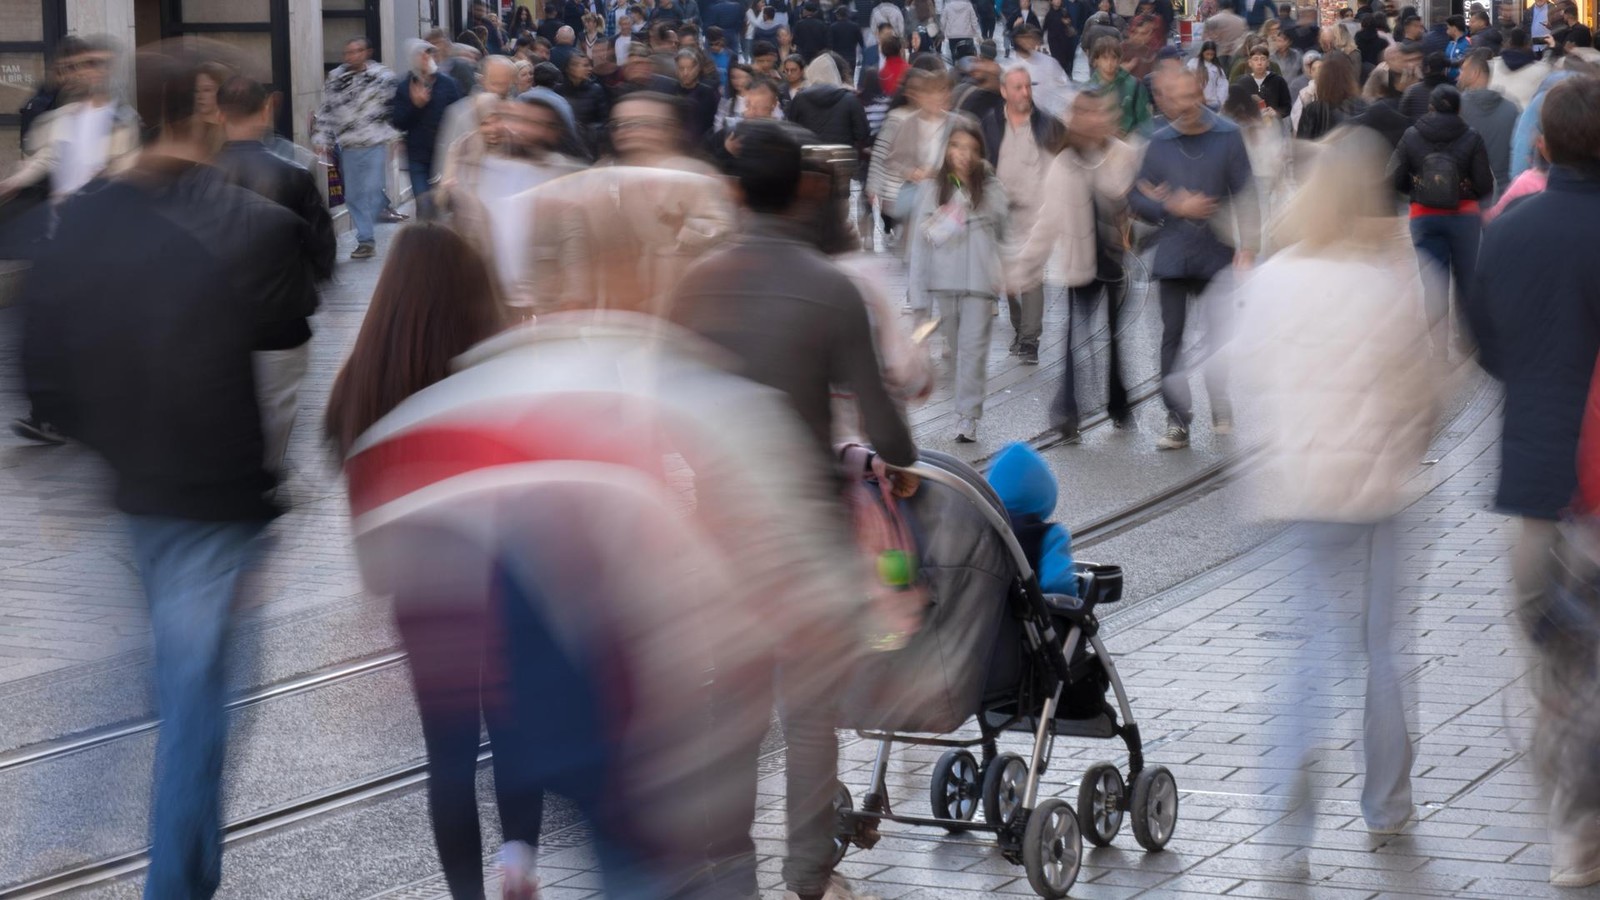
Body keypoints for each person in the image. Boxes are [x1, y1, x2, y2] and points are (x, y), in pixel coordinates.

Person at [20, 46, 314, 900]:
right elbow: (282, 373)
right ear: (209, 105)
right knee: (195, 708)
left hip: (130, 496)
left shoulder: (78, 222)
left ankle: (67, 828)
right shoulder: (258, 227)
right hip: (216, 506)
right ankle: (174, 883)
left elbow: (46, 379)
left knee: (157, 682)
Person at [668, 123, 915, 898]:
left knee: (730, 707)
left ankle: (727, 866)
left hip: (719, 534)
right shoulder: (830, 287)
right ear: (804, 188)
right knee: (809, 715)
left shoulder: (695, 284)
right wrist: (897, 460)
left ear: (735, 193)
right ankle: (808, 876)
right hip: (807, 532)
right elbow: (886, 427)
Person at [322, 222, 554, 899]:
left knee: (446, 757)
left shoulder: (364, 376)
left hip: (422, 593)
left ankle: (466, 895)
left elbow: (347, 468)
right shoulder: (499, 370)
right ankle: (519, 862)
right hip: (505, 579)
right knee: (518, 735)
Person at [1234, 125, 1439, 847]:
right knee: (1381, 650)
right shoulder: (1388, 281)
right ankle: (1387, 803)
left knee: (1309, 650)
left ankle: (1289, 801)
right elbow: (1422, 394)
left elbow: (1241, 377)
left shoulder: (1273, 279)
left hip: (1298, 490)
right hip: (1378, 491)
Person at [1466, 76, 1600, 889]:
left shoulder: (1511, 229)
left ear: (1541, 146)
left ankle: (1572, 831)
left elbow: (1485, 346)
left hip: (1535, 484)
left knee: (1553, 663)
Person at [213, 77, 335, 483]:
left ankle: (231, 473)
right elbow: (322, 250)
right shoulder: (295, 174)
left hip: (214, 316)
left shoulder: (196, 177)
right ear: (267, 109)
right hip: (281, 316)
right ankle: (264, 476)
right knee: (277, 406)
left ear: (217, 114)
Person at [1132, 65, 1258, 450]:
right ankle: (1178, 419)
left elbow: (1247, 193)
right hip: (1173, 253)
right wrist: (1172, 204)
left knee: (1218, 335)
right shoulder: (1158, 142)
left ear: (1201, 93)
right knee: (1172, 336)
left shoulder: (1228, 135)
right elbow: (1135, 195)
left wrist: (1249, 247)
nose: (1185, 105)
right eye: (1175, 99)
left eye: (1191, 95)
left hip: (1216, 251)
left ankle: (1219, 398)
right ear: (1166, 102)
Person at [1009, 89, 1138, 440]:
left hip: (1116, 263)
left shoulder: (1124, 155)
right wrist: (1022, 269)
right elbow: (1046, 222)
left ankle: (1118, 403)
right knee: (1073, 340)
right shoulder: (1063, 165)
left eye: (1099, 113)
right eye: (1084, 114)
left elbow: (1133, 198)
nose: (1093, 120)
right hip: (1080, 265)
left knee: (1113, 339)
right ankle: (1067, 413)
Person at [894, 116, 1008, 442]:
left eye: (971, 148)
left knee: (973, 350)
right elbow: (919, 245)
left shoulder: (990, 186)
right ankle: (963, 407)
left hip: (980, 283)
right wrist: (918, 303)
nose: (963, 154)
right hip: (945, 282)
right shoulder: (931, 189)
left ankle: (967, 416)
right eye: (956, 146)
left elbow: (1005, 228)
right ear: (946, 149)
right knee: (957, 348)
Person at [1392, 84, 1493, 355]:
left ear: (1431, 107)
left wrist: (1417, 191)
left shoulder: (1411, 135)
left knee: (1433, 284)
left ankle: (1439, 350)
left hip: (1424, 217)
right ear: (1459, 108)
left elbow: (1395, 178)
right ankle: (1467, 341)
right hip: (1464, 217)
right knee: (1465, 280)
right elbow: (1484, 185)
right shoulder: (1472, 137)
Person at [982, 65, 1065, 365]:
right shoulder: (990, 123)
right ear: (1004, 91)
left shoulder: (1047, 125)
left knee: (1031, 276)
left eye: (1028, 86)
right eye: (1017, 87)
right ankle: (1021, 330)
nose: (1024, 93)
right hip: (1001, 215)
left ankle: (1030, 340)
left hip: (1037, 215)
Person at [0, 35, 140, 206]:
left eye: (102, 64)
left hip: (103, 213)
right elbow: (48, 157)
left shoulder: (124, 119)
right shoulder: (64, 116)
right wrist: (15, 181)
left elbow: (132, 167)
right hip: (63, 215)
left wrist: (110, 174)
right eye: (89, 64)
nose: (95, 71)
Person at [314, 37, 399, 260]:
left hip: (375, 142)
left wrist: (396, 138)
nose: (352, 56)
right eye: (348, 52)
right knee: (352, 195)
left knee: (373, 190)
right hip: (349, 145)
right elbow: (326, 110)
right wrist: (322, 139)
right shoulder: (336, 79)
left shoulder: (383, 77)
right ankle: (365, 240)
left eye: (357, 51)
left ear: (367, 52)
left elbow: (393, 110)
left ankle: (367, 230)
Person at [867, 68, 957, 273]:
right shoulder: (907, 122)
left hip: (950, 197)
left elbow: (968, 167)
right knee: (920, 255)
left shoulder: (958, 123)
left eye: (942, 91)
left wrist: (948, 177)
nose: (937, 97)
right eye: (931, 92)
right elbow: (891, 158)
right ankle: (917, 296)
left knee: (949, 252)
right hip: (922, 198)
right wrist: (912, 172)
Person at [1456, 49, 1517, 203]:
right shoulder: (1512, 108)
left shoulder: (1456, 108)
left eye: (1463, 70)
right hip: (1505, 194)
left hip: (1468, 196)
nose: (1459, 75)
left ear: (1475, 73)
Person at [788, 52, 872, 148]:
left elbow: (792, 131)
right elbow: (862, 134)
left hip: (809, 157)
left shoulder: (800, 99)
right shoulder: (850, 99)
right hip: (841, 156)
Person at [1294, 50, 1363, 140]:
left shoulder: (1312, 110)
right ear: (1349, 75)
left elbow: (1301, 148)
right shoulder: (1362, 106)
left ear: (1323, 76)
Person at [1090, 38, 1151, 134]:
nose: (1109, 63)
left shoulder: (1134, 85)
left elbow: (1146, 122)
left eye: (1113, 57)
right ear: (1096, 61)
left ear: (1119, 60)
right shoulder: (1086, 90)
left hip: (1130, 142)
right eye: (1104, 58)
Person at [1012, 25, 1072, 118]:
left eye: (1033, 37)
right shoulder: (1010, 67)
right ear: (1017, 39)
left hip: (1048, 117)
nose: (1031, 41)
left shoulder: (1049, 62)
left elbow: (1066, 88)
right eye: (1026, 37)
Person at [1490, 27, 1552, 109]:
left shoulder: (1492, 66)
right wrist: (1552, 48)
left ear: (1509, 42)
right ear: (1527, 43)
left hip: (1498, 117)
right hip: (1526, 117)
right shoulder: (1543, 69)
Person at [1233, 43, 1292, 119]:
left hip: (1273, 126)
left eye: (1263, 59)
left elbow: (1287, 107)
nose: (1259, 63)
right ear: (1250, 63)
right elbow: (1235, 107)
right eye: (1255, 59)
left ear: (1268, 63)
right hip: (1249, 126)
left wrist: (1276, 113)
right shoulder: (1241, 83)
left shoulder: (1278, 81)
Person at [673, 49, 721, 138]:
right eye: (681, 68)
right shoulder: (672, 90)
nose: (685, 73)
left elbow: (716, 122)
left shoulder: (709, 90)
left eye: (690, 68)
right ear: (676, 69)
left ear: (698, 68)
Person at [1043, 0, 1080, 78]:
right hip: (1054, 42)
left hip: (1064, 41)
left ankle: (1066, 76)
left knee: (1065, 60)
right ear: (1051, 2)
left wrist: (1067, 22)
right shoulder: (1049, 14)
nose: (1057, 1)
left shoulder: (1064, 12)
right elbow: (1044, 27)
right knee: (1057, 60)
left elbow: (1070, 23)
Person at [1191, 40, 1232, 109]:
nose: (1209, 57)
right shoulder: (1193, 64)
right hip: (1197, 103)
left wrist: (1221, 102)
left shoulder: (1217, 68)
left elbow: (1222, 86)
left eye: (1212, 54)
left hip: (1213, 103)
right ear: (1202, 52)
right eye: (1207, 54)